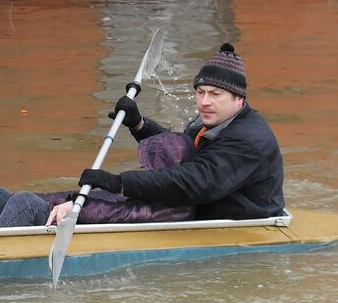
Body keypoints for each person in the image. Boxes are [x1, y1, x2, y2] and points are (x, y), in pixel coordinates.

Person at [66, 42, 285, 222]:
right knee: (78, 200)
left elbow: (196, 181)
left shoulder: (249, 139)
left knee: (109, 203)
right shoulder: (212, 120)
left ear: (239, 99)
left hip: (242, 220)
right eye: (200, 92)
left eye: (215, 94)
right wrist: (139, 125)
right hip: (200, 206)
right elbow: (181, 153)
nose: (205, 102)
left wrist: (121, 183)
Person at [0, 131, 193, 230]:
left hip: (71, 220)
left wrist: (75, 205)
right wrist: (65, 198)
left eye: (148, 165)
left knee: (24, 201)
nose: (143, 169)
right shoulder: (153, 186)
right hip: (62, 210)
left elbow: (116, 213)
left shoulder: (170, 207)